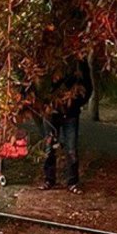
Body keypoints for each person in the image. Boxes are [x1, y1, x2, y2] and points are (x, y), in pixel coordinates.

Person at [40, 59, 93, 194]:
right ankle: (49, 180)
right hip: (51, 112)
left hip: (71, 113)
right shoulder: (48, 58)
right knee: (49, 148)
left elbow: (88, 86)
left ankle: (72, 182)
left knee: (71, 149)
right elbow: (40, 86)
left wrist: (76, 103)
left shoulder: (79, 63)